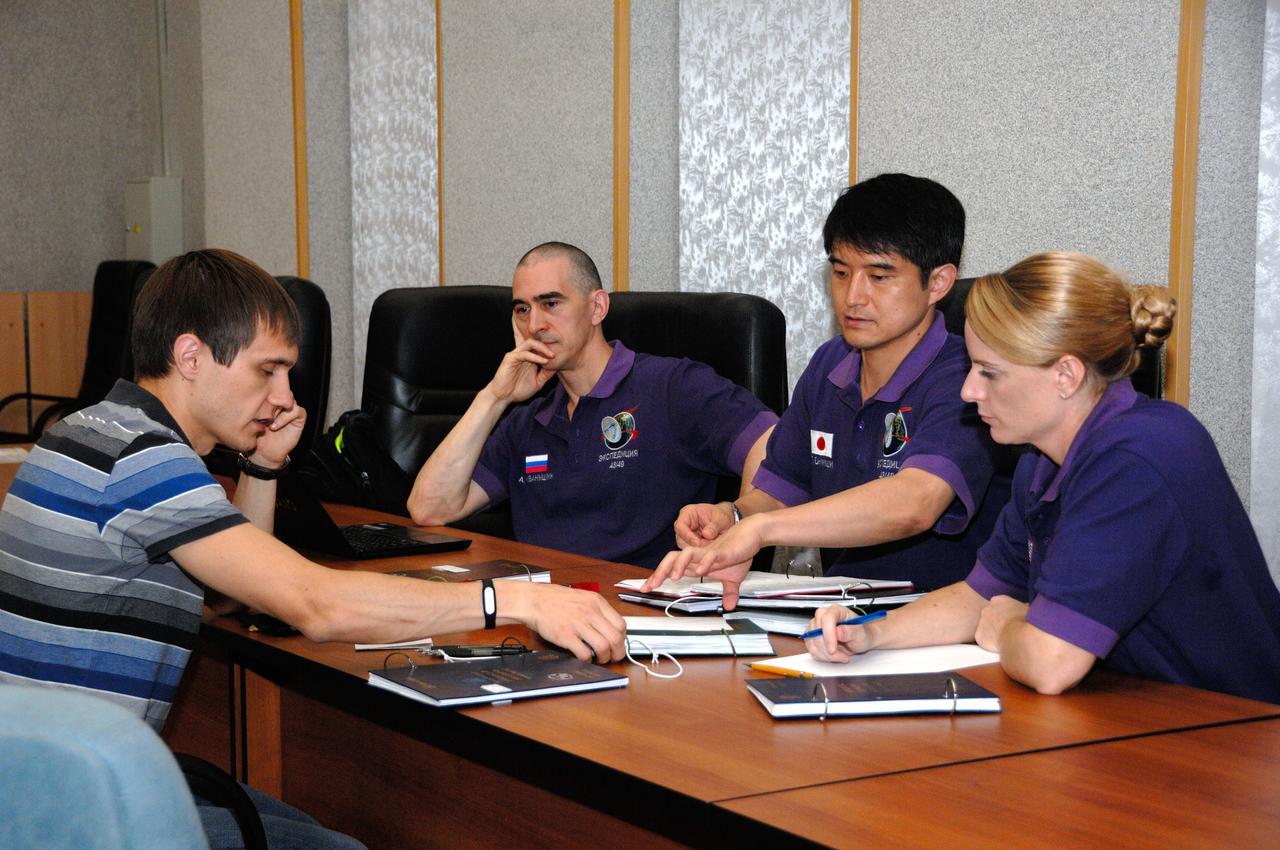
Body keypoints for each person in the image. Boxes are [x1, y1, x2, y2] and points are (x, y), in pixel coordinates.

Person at [0, 249, 626, 849]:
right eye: (266, 370)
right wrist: (516, 600)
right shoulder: (145, 459)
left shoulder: (84, 432)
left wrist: (264, 469)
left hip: (37, 777)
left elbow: (224, 595)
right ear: (190, 356)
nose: (283, 396)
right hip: (72, 811)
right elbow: (314, 604)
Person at [805, 252, 1280, 703]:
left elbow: (1050, 662)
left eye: (989, 373)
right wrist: (869, 632)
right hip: (1134, 714)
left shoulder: (1139, 457)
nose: (968, 390)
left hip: (1235, 733)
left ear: (1066, 375)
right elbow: (979, 595)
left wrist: (1010, 625)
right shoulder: (1041, 458)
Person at [647, 174, 1008, 605]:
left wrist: (760, 531)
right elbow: (783, 489)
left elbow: (915, 502)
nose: (852, 296)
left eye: (879, 276)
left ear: (939, 283)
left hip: (948, 621)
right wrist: (733, 515)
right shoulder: (829, 364)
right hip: (841, 612)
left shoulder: (970, 376)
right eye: (840, 272)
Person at [407, 241, 778, 569]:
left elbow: (772, 444)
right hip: (546, 613)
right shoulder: (527, 422)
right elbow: (429, 508)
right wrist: (494, 397)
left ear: (597, 307)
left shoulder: (672, 386)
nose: (534, 324)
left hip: (647, 612)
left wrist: (736, 521)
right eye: (522, 309)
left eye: (550, 303)